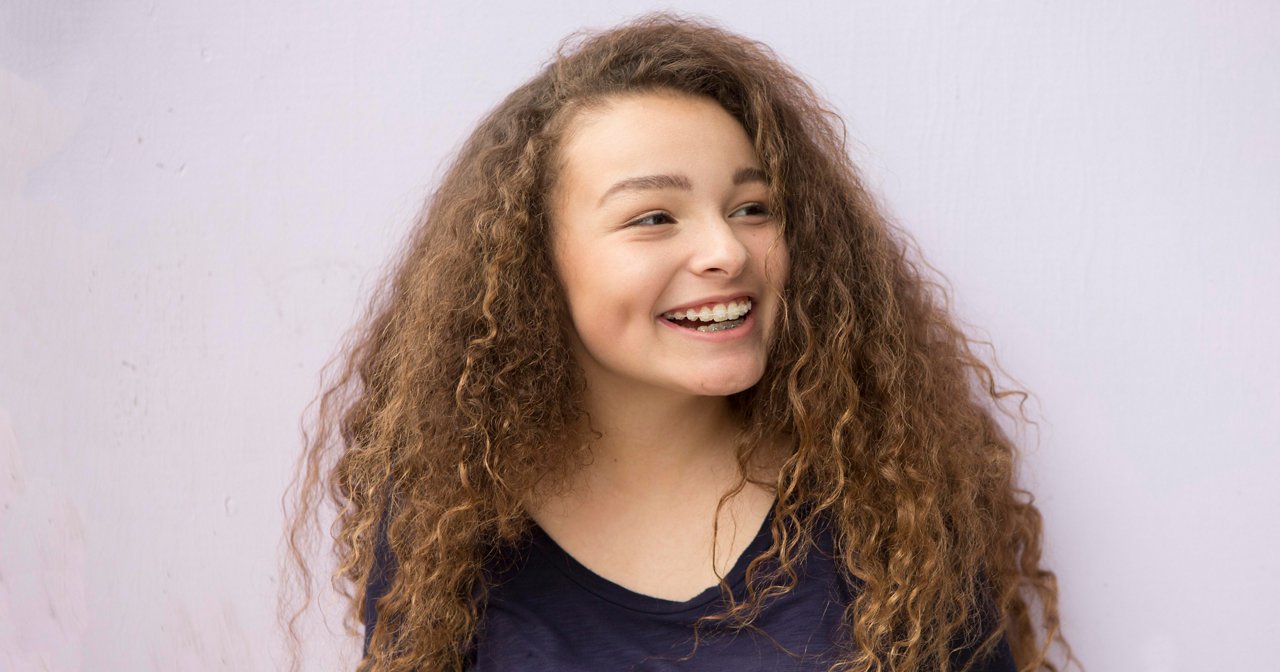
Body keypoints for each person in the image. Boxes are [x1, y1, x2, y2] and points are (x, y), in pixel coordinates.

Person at [282, 12, 1074, 672]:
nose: (726, 251)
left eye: (753, 207)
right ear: (534, 262)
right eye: (654, 217)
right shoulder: (446, 518)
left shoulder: (889, 496)